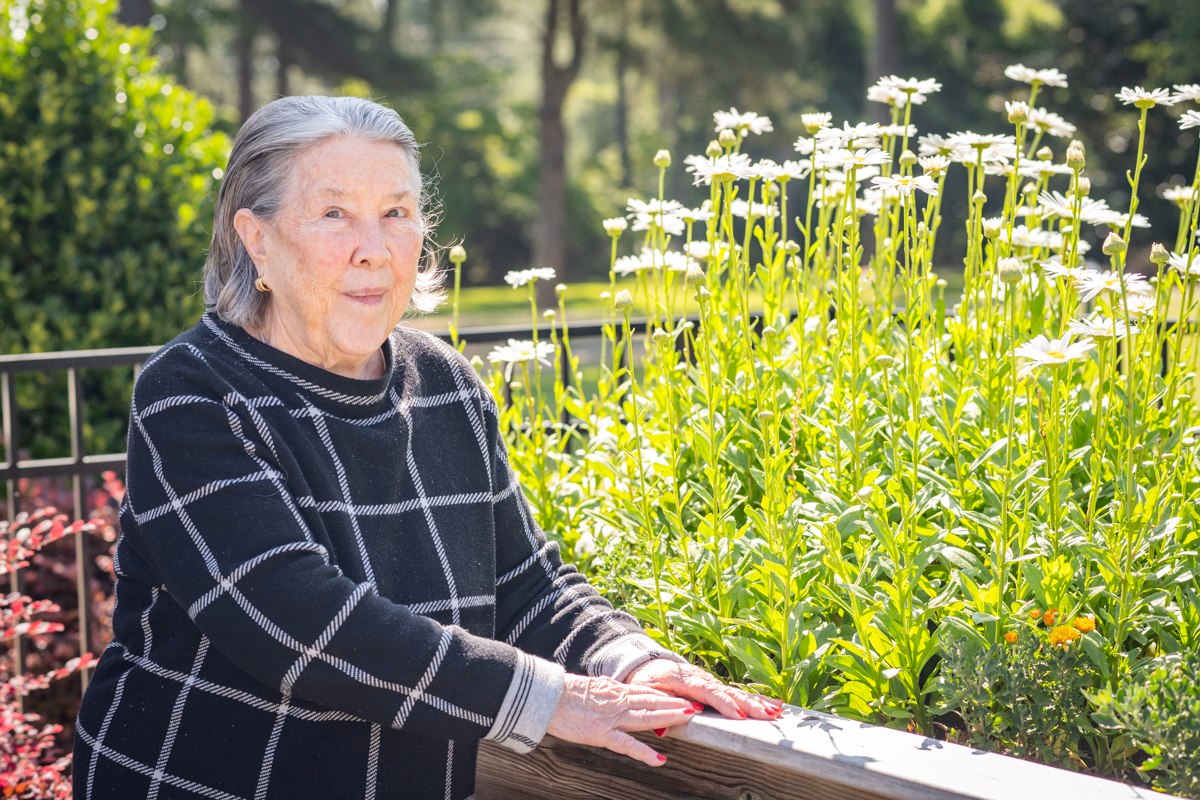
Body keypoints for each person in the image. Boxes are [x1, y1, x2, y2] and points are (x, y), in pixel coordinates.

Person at [73, 95, 782, 799]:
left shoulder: (443, 382)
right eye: (333, 213)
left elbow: (527, 585)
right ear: (257, 239)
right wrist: (552, 698)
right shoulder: (193, 393)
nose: (373, 248)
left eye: (397, 213)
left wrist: (629, 662)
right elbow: (301, 629)